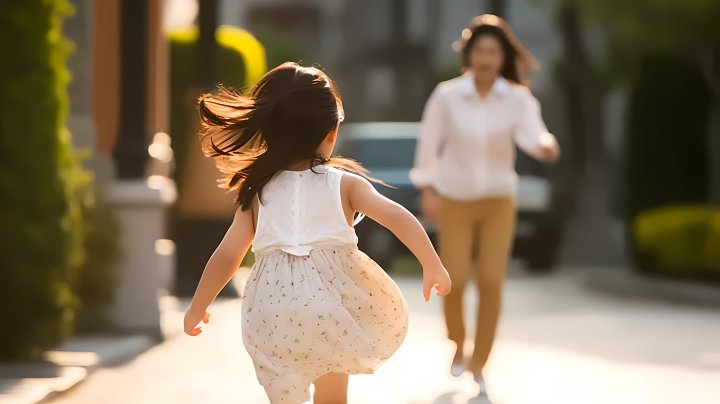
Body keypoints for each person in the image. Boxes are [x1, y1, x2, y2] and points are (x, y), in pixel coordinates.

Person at [182, 62, 451, 404]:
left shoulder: (257, 191)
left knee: (284, 393)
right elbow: (396, 215)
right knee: (332, 396)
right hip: (328, 307)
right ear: (331, 131)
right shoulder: (345, 184)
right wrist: (432, 263)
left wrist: (198, 305)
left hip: (271, 309)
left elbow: (227, 255)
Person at [410, 15, 561, 396]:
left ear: (501, 57)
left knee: (492, 282)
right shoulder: (446, 95)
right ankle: (458, 342)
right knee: (454, 279)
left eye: (493, 52)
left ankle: (480, 363)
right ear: (469, 53)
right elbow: (429, 144)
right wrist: (428, 189)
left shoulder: (517, 97)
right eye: (479, 50)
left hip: (498, 200)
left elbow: (532, 133)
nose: (485, 58)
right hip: (455, 198)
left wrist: (545, 144)